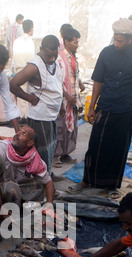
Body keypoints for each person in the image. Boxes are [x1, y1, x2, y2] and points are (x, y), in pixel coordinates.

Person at [70, 18, 132, 199]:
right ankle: (86, 180)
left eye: (120, 40)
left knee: (119, 148)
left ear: (131, 39)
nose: (116, 43)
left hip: (125, 109)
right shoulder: (106, 53)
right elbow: (98, 80)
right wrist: (92, 107)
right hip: (105, 107)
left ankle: (112, 185)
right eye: (115, 38)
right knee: (95, 145)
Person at [10, 35, 64, 173]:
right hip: (40, 118)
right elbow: (13, 84)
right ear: (41, 49)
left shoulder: (55, 62)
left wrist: (61, 105)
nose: (52, 59)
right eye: (49, 55)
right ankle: (43, 181)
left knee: (51, 147)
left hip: (51, 115)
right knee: (42, 151)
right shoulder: (33, 66)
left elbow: (57, 84)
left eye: (54, 54)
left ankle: (48, 174)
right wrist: (29, 98)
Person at [0, 125, 55, 210]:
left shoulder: (32, 157)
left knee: (39, 186)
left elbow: (48, 182)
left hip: (11, 187)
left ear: (30, 143)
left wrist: (49, 204)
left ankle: (19, 206)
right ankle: (0, 212)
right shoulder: (1, 148)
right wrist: (0, 209)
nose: (17, 134)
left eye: (24, 133)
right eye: (19, 131)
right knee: (11, 189)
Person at [53, 27, 84, 168]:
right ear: (66, 41)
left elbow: (74, 75)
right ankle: (56, 156)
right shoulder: (60, 58)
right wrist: (67, 96)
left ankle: (66, 153)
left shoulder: (72, 57)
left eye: (77, 42)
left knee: (71, 128)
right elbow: (57, 81)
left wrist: (79, 88)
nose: (77, 45)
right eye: (75, 42)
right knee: (61, 127)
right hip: (64, 99)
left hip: (73, 98)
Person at [12, 19, 35, 119]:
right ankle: (25, 118)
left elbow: (13, 59)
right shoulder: (29, 41)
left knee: (20, 96)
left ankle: (21, 116)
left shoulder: (16, 41)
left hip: (18, 70)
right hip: (26, 71)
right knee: (26, 95)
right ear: (31, 29)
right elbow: (31, 60)